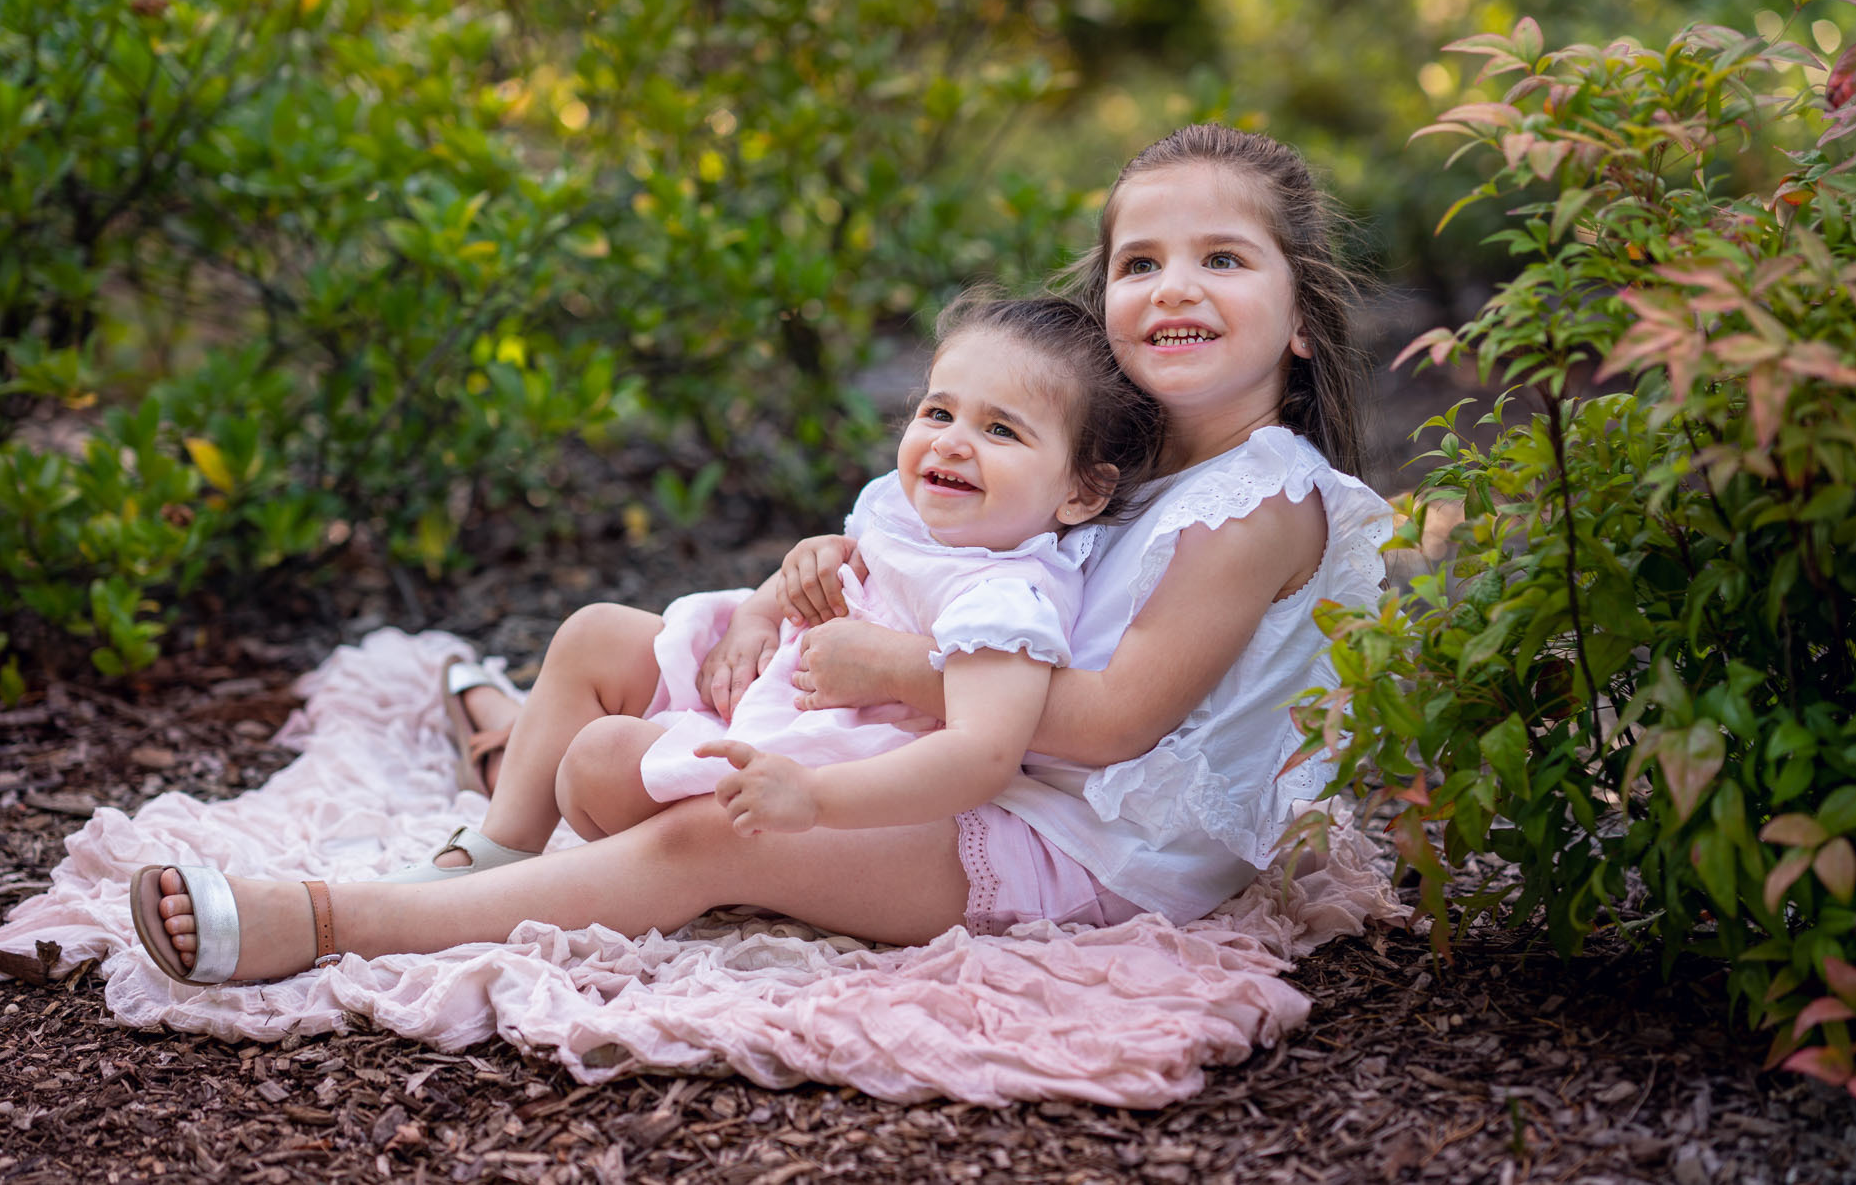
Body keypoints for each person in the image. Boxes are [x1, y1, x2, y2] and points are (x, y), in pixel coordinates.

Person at [128, 123, 1393, 986]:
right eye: (1140, 262)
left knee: (713, 833)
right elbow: (946, 561)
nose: (1174, 288)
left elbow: (1110, 719)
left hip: (1078, 841)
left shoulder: (1260, 500)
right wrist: (801, 580)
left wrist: (893, 671)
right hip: (963, 760)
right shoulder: (1108, 454)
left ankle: (334, 921)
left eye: (1222, 259)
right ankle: (516, 795)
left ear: (1297, 315)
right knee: (619, 646)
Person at [386, 293, 1160, 880]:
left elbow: (983, 755)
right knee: (593, 632)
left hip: (818, 762)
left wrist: (816, 800)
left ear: (1082, 493)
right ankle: (497, 846)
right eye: (939, 410)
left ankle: (586, 807)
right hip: (771, 681)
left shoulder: (1006, 598)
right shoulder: (902, 509)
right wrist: (762, 609)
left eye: (1002, 430)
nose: (952, 440)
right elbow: (835, 575)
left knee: (597, 760)